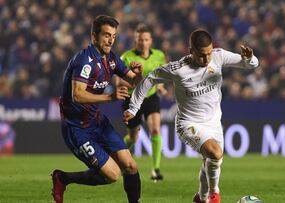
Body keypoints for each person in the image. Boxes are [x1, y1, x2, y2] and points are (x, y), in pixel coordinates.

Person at [123, 29, 259, 203]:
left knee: (212, 161)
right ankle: (214, 195)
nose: (206, 59)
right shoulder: (178, 69)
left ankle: (201, 198)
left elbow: (251, 65)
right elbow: (149, 80)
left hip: (214, 122)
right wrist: (133, 108)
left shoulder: (218, 56)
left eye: (209, 53)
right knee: (216, 154)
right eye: (202, 55)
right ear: (191, 51)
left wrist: (249, 58)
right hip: (188, 123)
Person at [51, 15, 143, 203]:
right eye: (106, 35)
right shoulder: (85, 60)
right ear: (94, 36)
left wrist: (138, 74)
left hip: (97, 122)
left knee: (131, 165)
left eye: (114, 36)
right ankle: (63, 178)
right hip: (77, 129)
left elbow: (133, 80)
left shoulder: (111, 59)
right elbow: (77, 95)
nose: (110, 40)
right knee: (113, 175)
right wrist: (110, 97)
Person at [117, 24, 167, 182]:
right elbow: (119, 83)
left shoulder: (159, 55)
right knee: (133, 138)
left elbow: (161, 75)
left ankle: (156, 169)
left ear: (150, 40)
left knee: (156, 130)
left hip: (151, 97)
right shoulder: (126, 57)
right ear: (135, 40)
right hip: (132, 100)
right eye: (140, 40)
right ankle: (120, 160)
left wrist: (160, 86)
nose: (143, 43)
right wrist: (137, 82)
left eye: (146, 40)